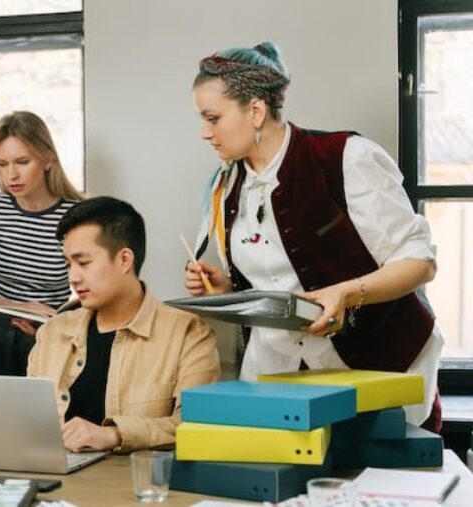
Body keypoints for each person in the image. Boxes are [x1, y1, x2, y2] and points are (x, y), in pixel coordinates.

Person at [184, 41, 443, 431]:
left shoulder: (345, 157)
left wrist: (348, 292)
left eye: (213, 118)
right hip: (277, 376)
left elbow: (420, 262)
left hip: (376, 367)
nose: (205, 133)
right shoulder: (225, 187)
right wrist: (226, 289)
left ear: (255, 111)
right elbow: (272, 280)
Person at [29, 196, 221, 453]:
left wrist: (116, 434)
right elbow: (28, 423)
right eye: (68, 265)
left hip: (134, 485)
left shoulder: (188, 333)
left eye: (84, 263)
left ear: (124, 260)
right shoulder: (52, 332)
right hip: (52, 480)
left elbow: (196, 425)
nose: (73, 277)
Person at [0, 111, 84, 376]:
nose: (11, 175)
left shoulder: (77, 216)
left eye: (22, 162)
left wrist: (57, 321)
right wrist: (9, 305)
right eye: (2, 164)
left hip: (54, 331)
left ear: (48, 159)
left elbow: (95, 289)